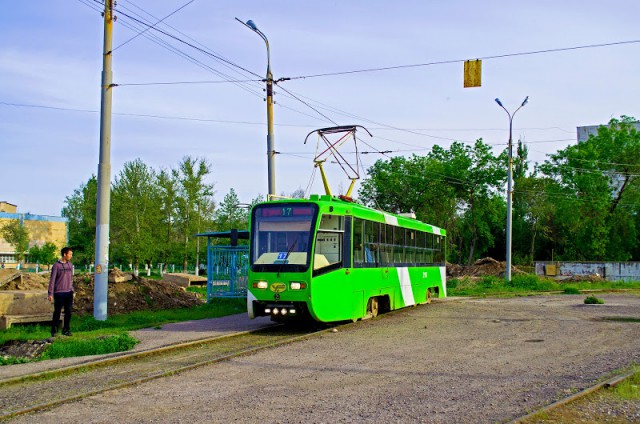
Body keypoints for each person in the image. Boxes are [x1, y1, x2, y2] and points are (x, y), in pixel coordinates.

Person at [48, 247, 74, 337]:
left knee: (69, 312)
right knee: (57, 312)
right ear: (64, 254)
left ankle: (66, 329)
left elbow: (71, 279)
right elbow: (52, 280)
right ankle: (54, 330)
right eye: (70, 254)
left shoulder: (70, 265)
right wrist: (50, 293)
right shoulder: (56, 266)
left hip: (69, 292)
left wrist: (72, 289)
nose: (71, 256)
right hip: (59, 293)